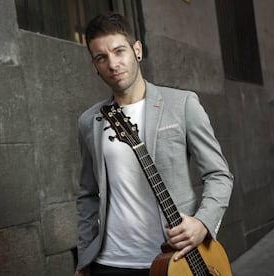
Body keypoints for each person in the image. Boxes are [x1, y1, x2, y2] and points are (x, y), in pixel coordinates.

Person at [75, 12, 233, 276]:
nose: (113, 64)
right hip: (111, 262)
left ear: (137, 49)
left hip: (176, 259)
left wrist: (203, 223)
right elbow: (88, 195)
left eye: (119, 51)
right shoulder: (89, 121)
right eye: (102, 57)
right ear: (94, 64)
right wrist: (84, 257)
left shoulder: (182, 105)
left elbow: (219, 175)